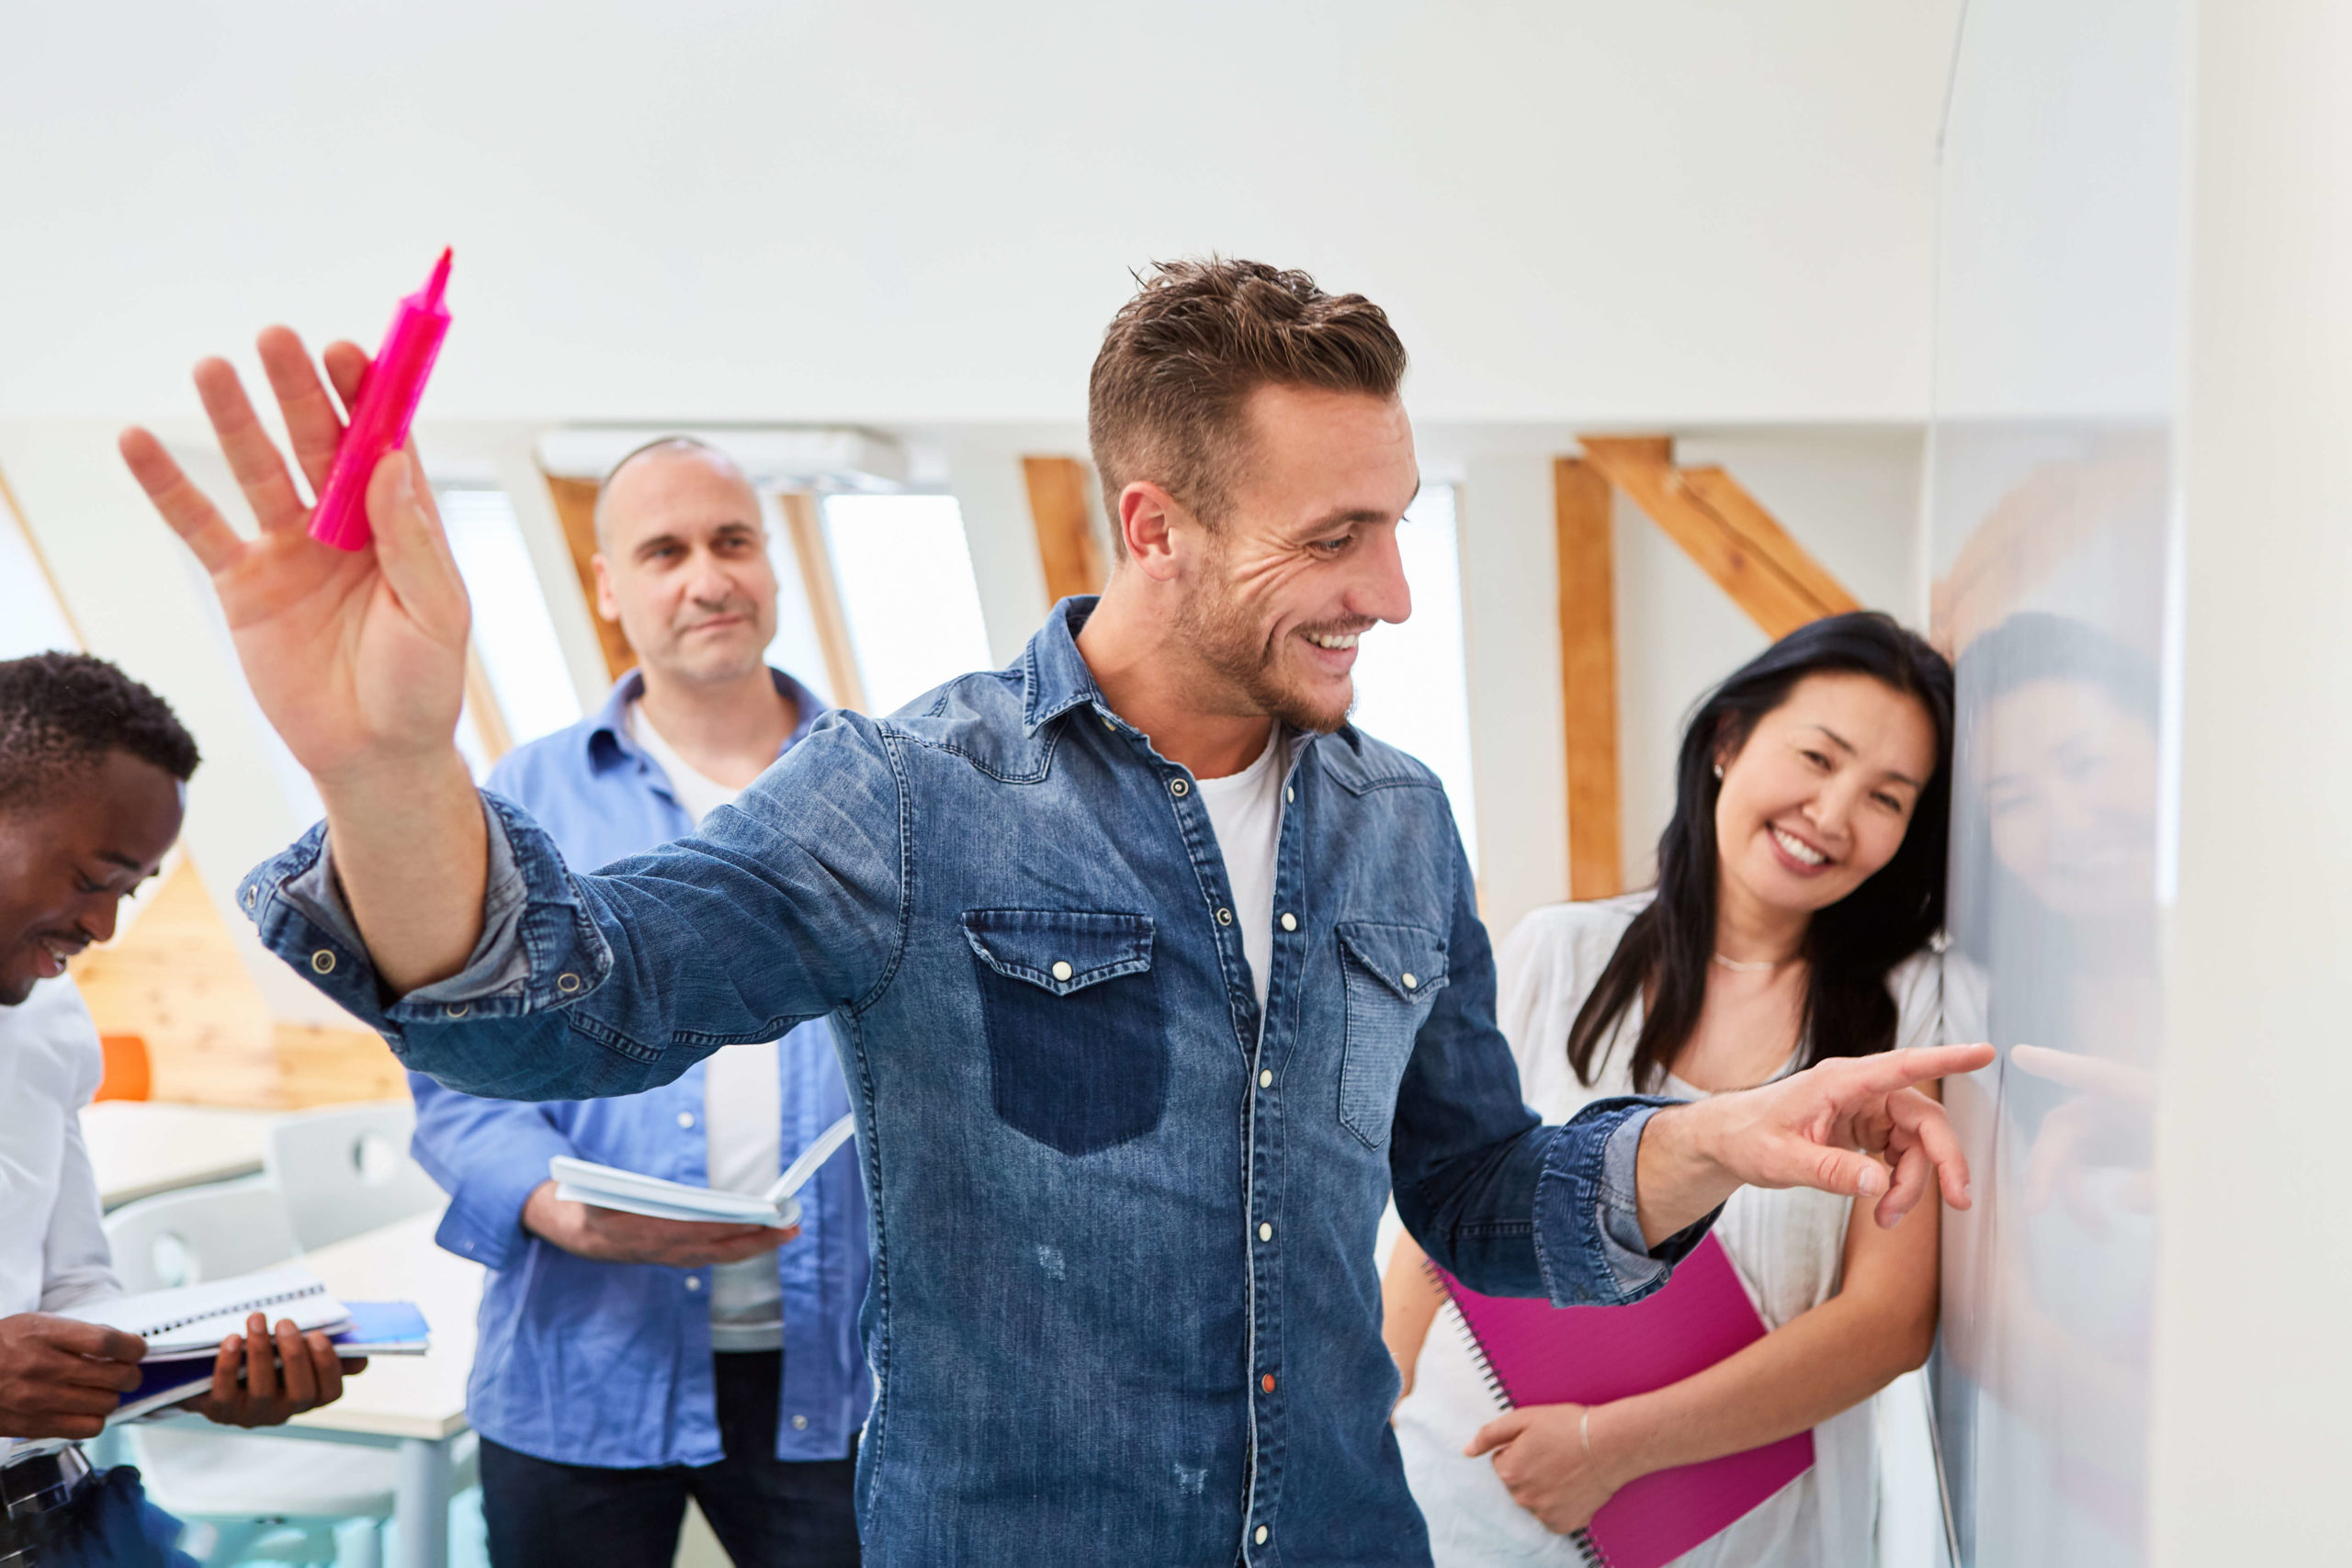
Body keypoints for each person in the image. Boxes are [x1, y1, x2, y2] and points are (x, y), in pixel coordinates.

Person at [122, 260, 1988, 1568]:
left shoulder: (1400, 823)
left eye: (1398, 522)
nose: (1396, 589)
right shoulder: (910, 797)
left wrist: (1702, 1151)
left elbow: (1488, 1196)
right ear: (1152, 521)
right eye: (1335, 535)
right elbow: (566, 1007)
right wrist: (384, 771)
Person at [1382, 615, 1956, 1565]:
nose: (1832, 812)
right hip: (1459, 1508)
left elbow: (1887, 1321)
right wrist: (1366, 1428)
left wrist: (1608, 1449)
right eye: (1817, 757)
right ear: (1728, 741)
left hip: (1739, 1538)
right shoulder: (1556, 953)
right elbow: (1439, 1224)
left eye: (1885, 798)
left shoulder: (1910, 1014)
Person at [406, 437, 865, 1568]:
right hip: (580, 1371)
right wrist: (550, 1206)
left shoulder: (882, 790)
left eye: (732, 542)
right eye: (663, 552)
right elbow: (452, 1073)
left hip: (836, 1373)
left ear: (772, 566)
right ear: (609, 589)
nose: (706, 578)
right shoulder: (520, 803)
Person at [0, 653, 359, 1562]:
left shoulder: (46, 1013)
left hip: (54, 1523)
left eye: (132, 891)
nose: (104, 929)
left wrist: (179, 1375)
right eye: (93, 878)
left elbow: (73, 1282)